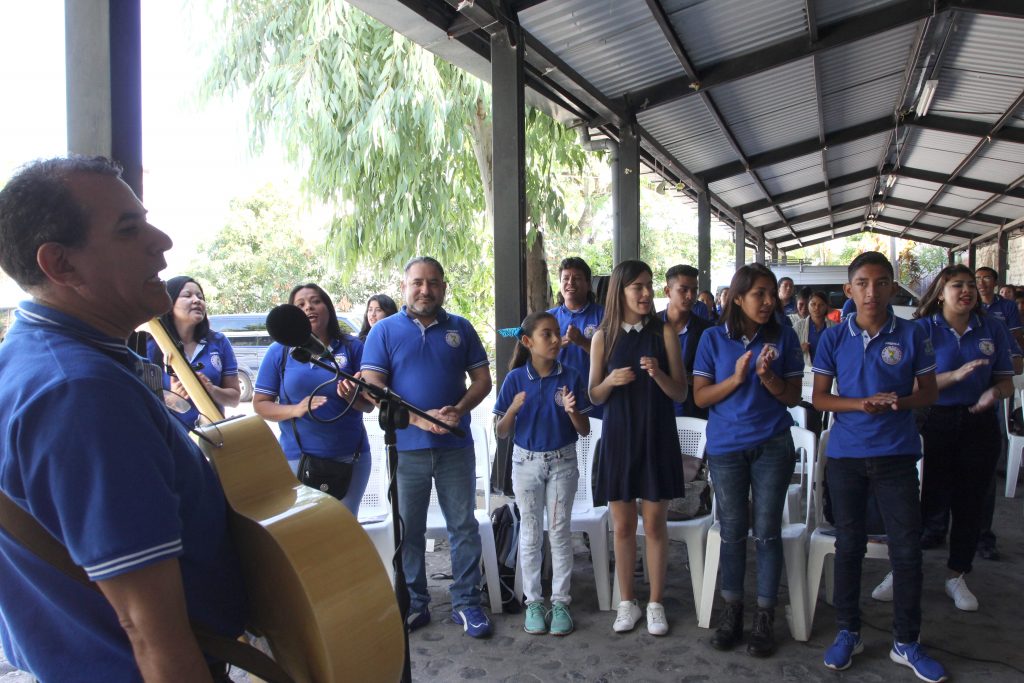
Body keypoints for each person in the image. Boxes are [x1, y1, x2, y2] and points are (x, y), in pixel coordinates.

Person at [0, 156, 246, 681]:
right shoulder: (81, 394)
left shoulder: (32, 358)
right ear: (61, 265)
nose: (163, 241)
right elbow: (150, 632)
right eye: (129, 229)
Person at [811, 252, 945, 682]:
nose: (872, 292)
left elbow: (928, 393)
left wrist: (898, 402)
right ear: (848, 290)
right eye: (863, 283)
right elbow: (819, 398)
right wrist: (861, 405)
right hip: (846, 457)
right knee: (848, 546)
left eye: (882, 282)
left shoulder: (912, 333)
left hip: (896, 455)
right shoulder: (833, 337)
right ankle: (848, 631)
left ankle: (906, 641)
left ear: (892, 287)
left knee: (906, 550)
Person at [869, 265, 1014, 614]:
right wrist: (954, 376)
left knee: (970, 501)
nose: (967, 291)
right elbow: (909, 384)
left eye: (971, 285)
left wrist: (993, 393)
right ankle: (901, 570)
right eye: (957, 285)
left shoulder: (991, 328)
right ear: (940, 293)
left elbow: (1006, 381)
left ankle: (957, 574)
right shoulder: (921, 329)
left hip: (978, 421)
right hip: (931, 420)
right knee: (918, 499)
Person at [361, 256, 493, 637]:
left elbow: (482, 380)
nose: (425, 289)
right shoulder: (384, 331)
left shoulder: (461, 328)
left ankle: (466, 603)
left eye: (433, 282)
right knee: (409, 529)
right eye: (417, 282)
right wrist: (420, 420)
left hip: (455, 447)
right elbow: (372, 385)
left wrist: (458, 410)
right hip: (406, 448)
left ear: (444, 288)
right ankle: (415, 603)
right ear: (404, 287)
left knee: (463, 526)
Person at [692, 263, 804, 658]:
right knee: (733, 529)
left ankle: (764, 616)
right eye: (759, 294)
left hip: (773, 444)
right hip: (726, 448)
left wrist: (768, 377)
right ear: (738, 298)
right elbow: (701, 397)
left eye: (772, 293)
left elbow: (793, 396)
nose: (769, 301)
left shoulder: (784, 336)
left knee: (768, 531)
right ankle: (733, 611)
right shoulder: (712, 338)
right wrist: (737, 379)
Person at [589, 260, 687, 636]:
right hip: (618, 438)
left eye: (649, 285)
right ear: (620, 291)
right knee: (623, 525)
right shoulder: (603, 337)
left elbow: (681, 392)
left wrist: (658, 373)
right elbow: (594, 395)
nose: (646, 293)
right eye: (638, 287)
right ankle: (627, 602)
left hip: (657, 436)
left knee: (655, 524)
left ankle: (656, 603)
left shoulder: (664, 332)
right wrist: (611, 380)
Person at [493, 312, 591, 636]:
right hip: (526, 464)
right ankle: (533, 602)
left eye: (556, 333)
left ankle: (561, 602)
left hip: (563, 462)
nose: (555, 340)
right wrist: (512, 410)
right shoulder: (515, 379)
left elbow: (584, 429)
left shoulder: (571, 375)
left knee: (560, 533)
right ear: (527, 341)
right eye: (546, 334)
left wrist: (573, 412)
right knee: (531, 532)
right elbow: (501, 431)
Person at [253, 283, 374, 514]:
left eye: (316, 301)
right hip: (297, 459)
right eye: (300, 305)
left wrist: (352, 397)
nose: (309, 307)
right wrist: (296, 409)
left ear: (328, 308)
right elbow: (260, 405)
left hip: (351, 458)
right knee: (304, 530)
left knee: (344, 528)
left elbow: (368, 406)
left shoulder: (352, 347)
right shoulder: (279, 351)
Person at [146, 275, 241, 428]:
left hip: (213, 435)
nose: (197, 300)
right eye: (187, 295)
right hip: (172, 435)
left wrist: (211, 390)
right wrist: (171, 399)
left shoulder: (219, 342)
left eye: (200, 297)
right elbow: (141, 403)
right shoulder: (151, 346)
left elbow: (234, 399)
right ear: (169, 304)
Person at [549, 257, 604, 416]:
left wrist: (582, 342)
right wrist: (556, 345)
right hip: (555, 397)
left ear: (588, 284)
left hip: (593, 399)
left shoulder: (604, 315)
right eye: (565, 278)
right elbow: (534, 357)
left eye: (577, 278)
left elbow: (612, 358)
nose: (570, 283)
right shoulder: (547, 318)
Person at [661, 265, 712, 418]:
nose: (690, 296)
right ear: (667, 291)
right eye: (683, 290)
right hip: (658, 410)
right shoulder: (651, 327)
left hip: (694, 413)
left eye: (694, 290)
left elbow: (712, 376)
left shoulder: (707, 332)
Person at [793, 290, 835, 366]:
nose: (816, 307)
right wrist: (799, 349)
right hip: (805, 369)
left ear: (826, 307)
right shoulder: (798, 326)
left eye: (821, 305)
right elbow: (788, 350)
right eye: (813, 304)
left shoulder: (835, 327)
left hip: (828, 368)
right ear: (808, 305)